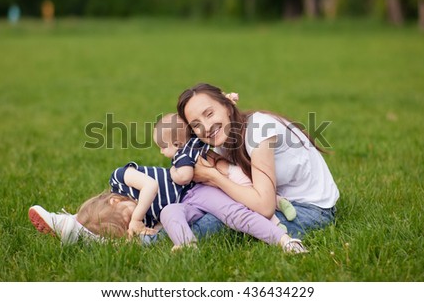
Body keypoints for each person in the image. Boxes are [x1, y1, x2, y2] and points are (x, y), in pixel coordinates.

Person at [29, 113, 307, 253]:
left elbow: (150, 187)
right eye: (128, 222)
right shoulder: (142, 212)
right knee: (168, 216)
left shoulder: (120, 178)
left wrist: (136, 218)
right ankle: (186, 247)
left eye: (125, 214)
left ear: (115, 199)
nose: (134, 215)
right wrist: (145, 227)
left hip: (201, 188)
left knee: (234, 214)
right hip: (184, 201)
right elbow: (160, 215)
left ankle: (283, 240)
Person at [176, 83, 340, 238]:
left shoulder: (259, 129)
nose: (206, 126)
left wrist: (213, 176)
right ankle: (162, 224)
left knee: (217, 222)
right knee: (214, 209)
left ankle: (160, 238)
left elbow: (264, 207)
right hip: (276, 201)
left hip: (310, 208)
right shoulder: (222, 140)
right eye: (196, 125)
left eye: (209, 114)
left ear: (227, 106)